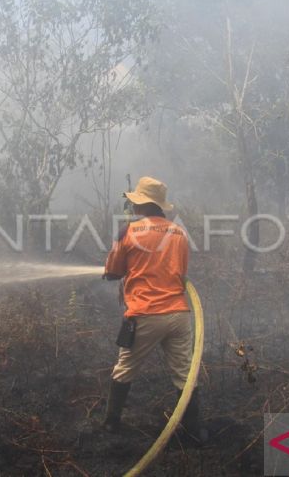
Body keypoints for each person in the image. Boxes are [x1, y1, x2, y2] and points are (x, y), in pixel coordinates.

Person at [102, 176, 206, 443]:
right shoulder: (179, 233)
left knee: (125, 369)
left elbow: (113, 272)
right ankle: (194, 430)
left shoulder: (127, 232)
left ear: (142, 205)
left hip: (145, 314)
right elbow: (180, 274)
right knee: (185, 373)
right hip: (179, 315)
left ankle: (111, 424)